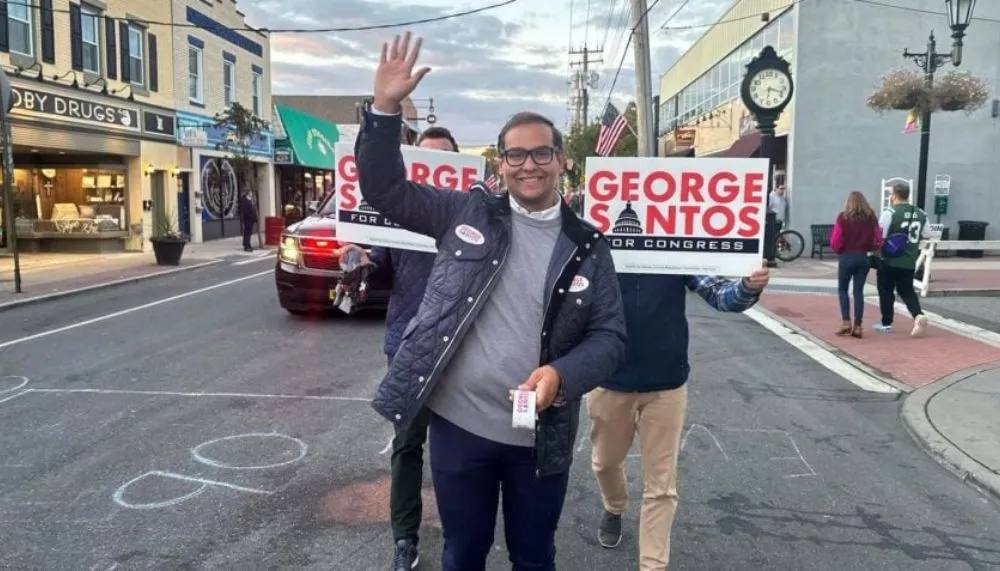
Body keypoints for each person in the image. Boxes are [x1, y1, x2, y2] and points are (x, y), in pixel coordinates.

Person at [357, 32, 627, 571]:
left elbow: (611, 337)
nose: (530, 165)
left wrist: (562, 374)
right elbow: (384, 189)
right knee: (463, 554)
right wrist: (385, 110)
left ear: (562, 161)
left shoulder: (589, 244)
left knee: (533, 556)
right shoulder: (464, 214)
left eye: (542, 152)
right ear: (500, 163)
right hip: (460, 427)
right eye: (516, 154)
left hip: (540, 435)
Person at [588, 261, 769, 569]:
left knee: (661, 485)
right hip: (608, 378)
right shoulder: (599, 244)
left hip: (665, 382)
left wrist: (747, 288)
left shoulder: (674, 242)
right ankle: (614, 506)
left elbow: (718, 293)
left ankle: (652, 565)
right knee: (605, 463)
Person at [346, 126, 461, 571]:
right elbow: (378, 263)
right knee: (407, 445)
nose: (433, 171)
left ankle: (460, 531)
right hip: (408, 345)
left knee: (458, 451)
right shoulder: (398, 217)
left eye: (442, 160)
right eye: (424, 159)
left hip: (460, 348)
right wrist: (360, 260)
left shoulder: (469, 216)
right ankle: (404, 539)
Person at [873, 183, 929, 337]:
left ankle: (886, 323)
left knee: (886, 291)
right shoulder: (921, 213)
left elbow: (880, 235)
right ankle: (918, 315)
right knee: (907, 291)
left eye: (891, 194)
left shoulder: (889, 212)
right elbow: (928, 233)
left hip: (889, 260)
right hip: (909, 260)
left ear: (895, 195)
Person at [830, 191, 881, 338]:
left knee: (842, 290)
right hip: (863, 257)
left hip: (846, 257)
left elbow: (836, 239)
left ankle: (846, 322)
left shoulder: (843, 217)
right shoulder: (871, 217)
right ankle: (858, 326)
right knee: (858, 292)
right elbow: (878, 237)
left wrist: (838, 249)